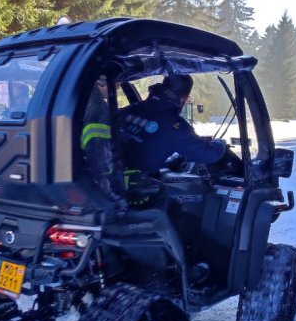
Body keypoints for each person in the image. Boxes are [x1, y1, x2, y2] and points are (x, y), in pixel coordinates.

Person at [119, 74, 228, 174]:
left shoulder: (129, 109)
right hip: (134, 188)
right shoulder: (174, 126)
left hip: (111, 180)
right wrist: (220, 143)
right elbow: (208, 154)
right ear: (184, 99)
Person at [80, 75, 128, 217]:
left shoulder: (83, 101)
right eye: (116, 82)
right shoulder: (99, 110)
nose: (118, 87)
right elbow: (99, 156)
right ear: (101, 82)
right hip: (95, 182)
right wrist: (112, 195)